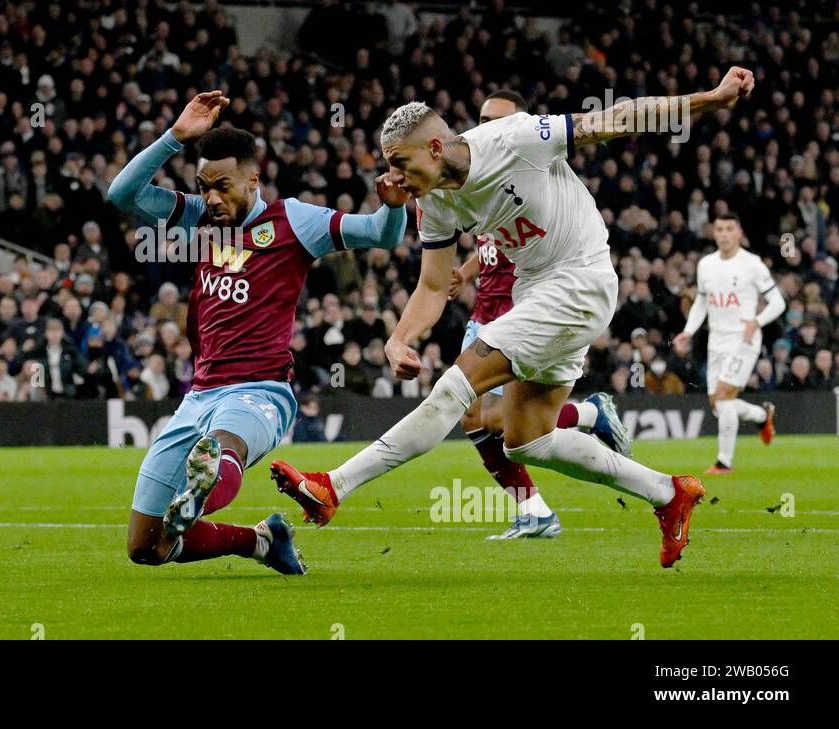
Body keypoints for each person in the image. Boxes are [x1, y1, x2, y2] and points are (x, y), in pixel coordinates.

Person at [271, 67, 757, 568]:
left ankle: (334, 485)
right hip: (536, 291)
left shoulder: (516, 139)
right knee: (528, 440)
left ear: (435, 148)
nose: (392, 177)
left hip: (580, 279)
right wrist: (399, 338)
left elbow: (617, 118)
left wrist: (711, 99)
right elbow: (435, 284)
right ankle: (667, 492)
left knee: (456, 389)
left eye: (399, 162)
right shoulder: (433, 201)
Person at [109, 91, 408, 575]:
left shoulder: (294, 220)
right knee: (146, 547)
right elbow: (121, 194)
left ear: (253, 179)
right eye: (203, 186)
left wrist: (393, 205)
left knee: (225, 448)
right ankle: (262, 542)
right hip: (198, 394)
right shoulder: (201, 218)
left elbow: (382, 233)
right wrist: (173, 138)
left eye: (222, 186)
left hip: (259, 391)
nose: (211, 197)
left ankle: (204, 485)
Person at [445, 90, 630, 539]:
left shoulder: (530, 167)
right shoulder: (476, 171)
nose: (489, 126)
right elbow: (490, 243)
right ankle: (536, 511)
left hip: (524, 306)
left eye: (499, 119)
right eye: (483, 117)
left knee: (499, 424)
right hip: (484, 308)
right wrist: (466, 274)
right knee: (471, 419)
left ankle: (585, 417)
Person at [673, 213, 784, 473]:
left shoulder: (752, 264)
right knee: (718, 405)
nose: (723, 234)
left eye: (729, 229)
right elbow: (701, 301)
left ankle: (724, 462)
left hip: (743, 340)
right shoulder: (706, 265)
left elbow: (778, 302)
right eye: (719, 229)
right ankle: (761, 415)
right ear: (714, 233)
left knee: (723, 396)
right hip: (717, 340)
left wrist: (756, 321)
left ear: (739, 232)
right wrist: (688, 331)